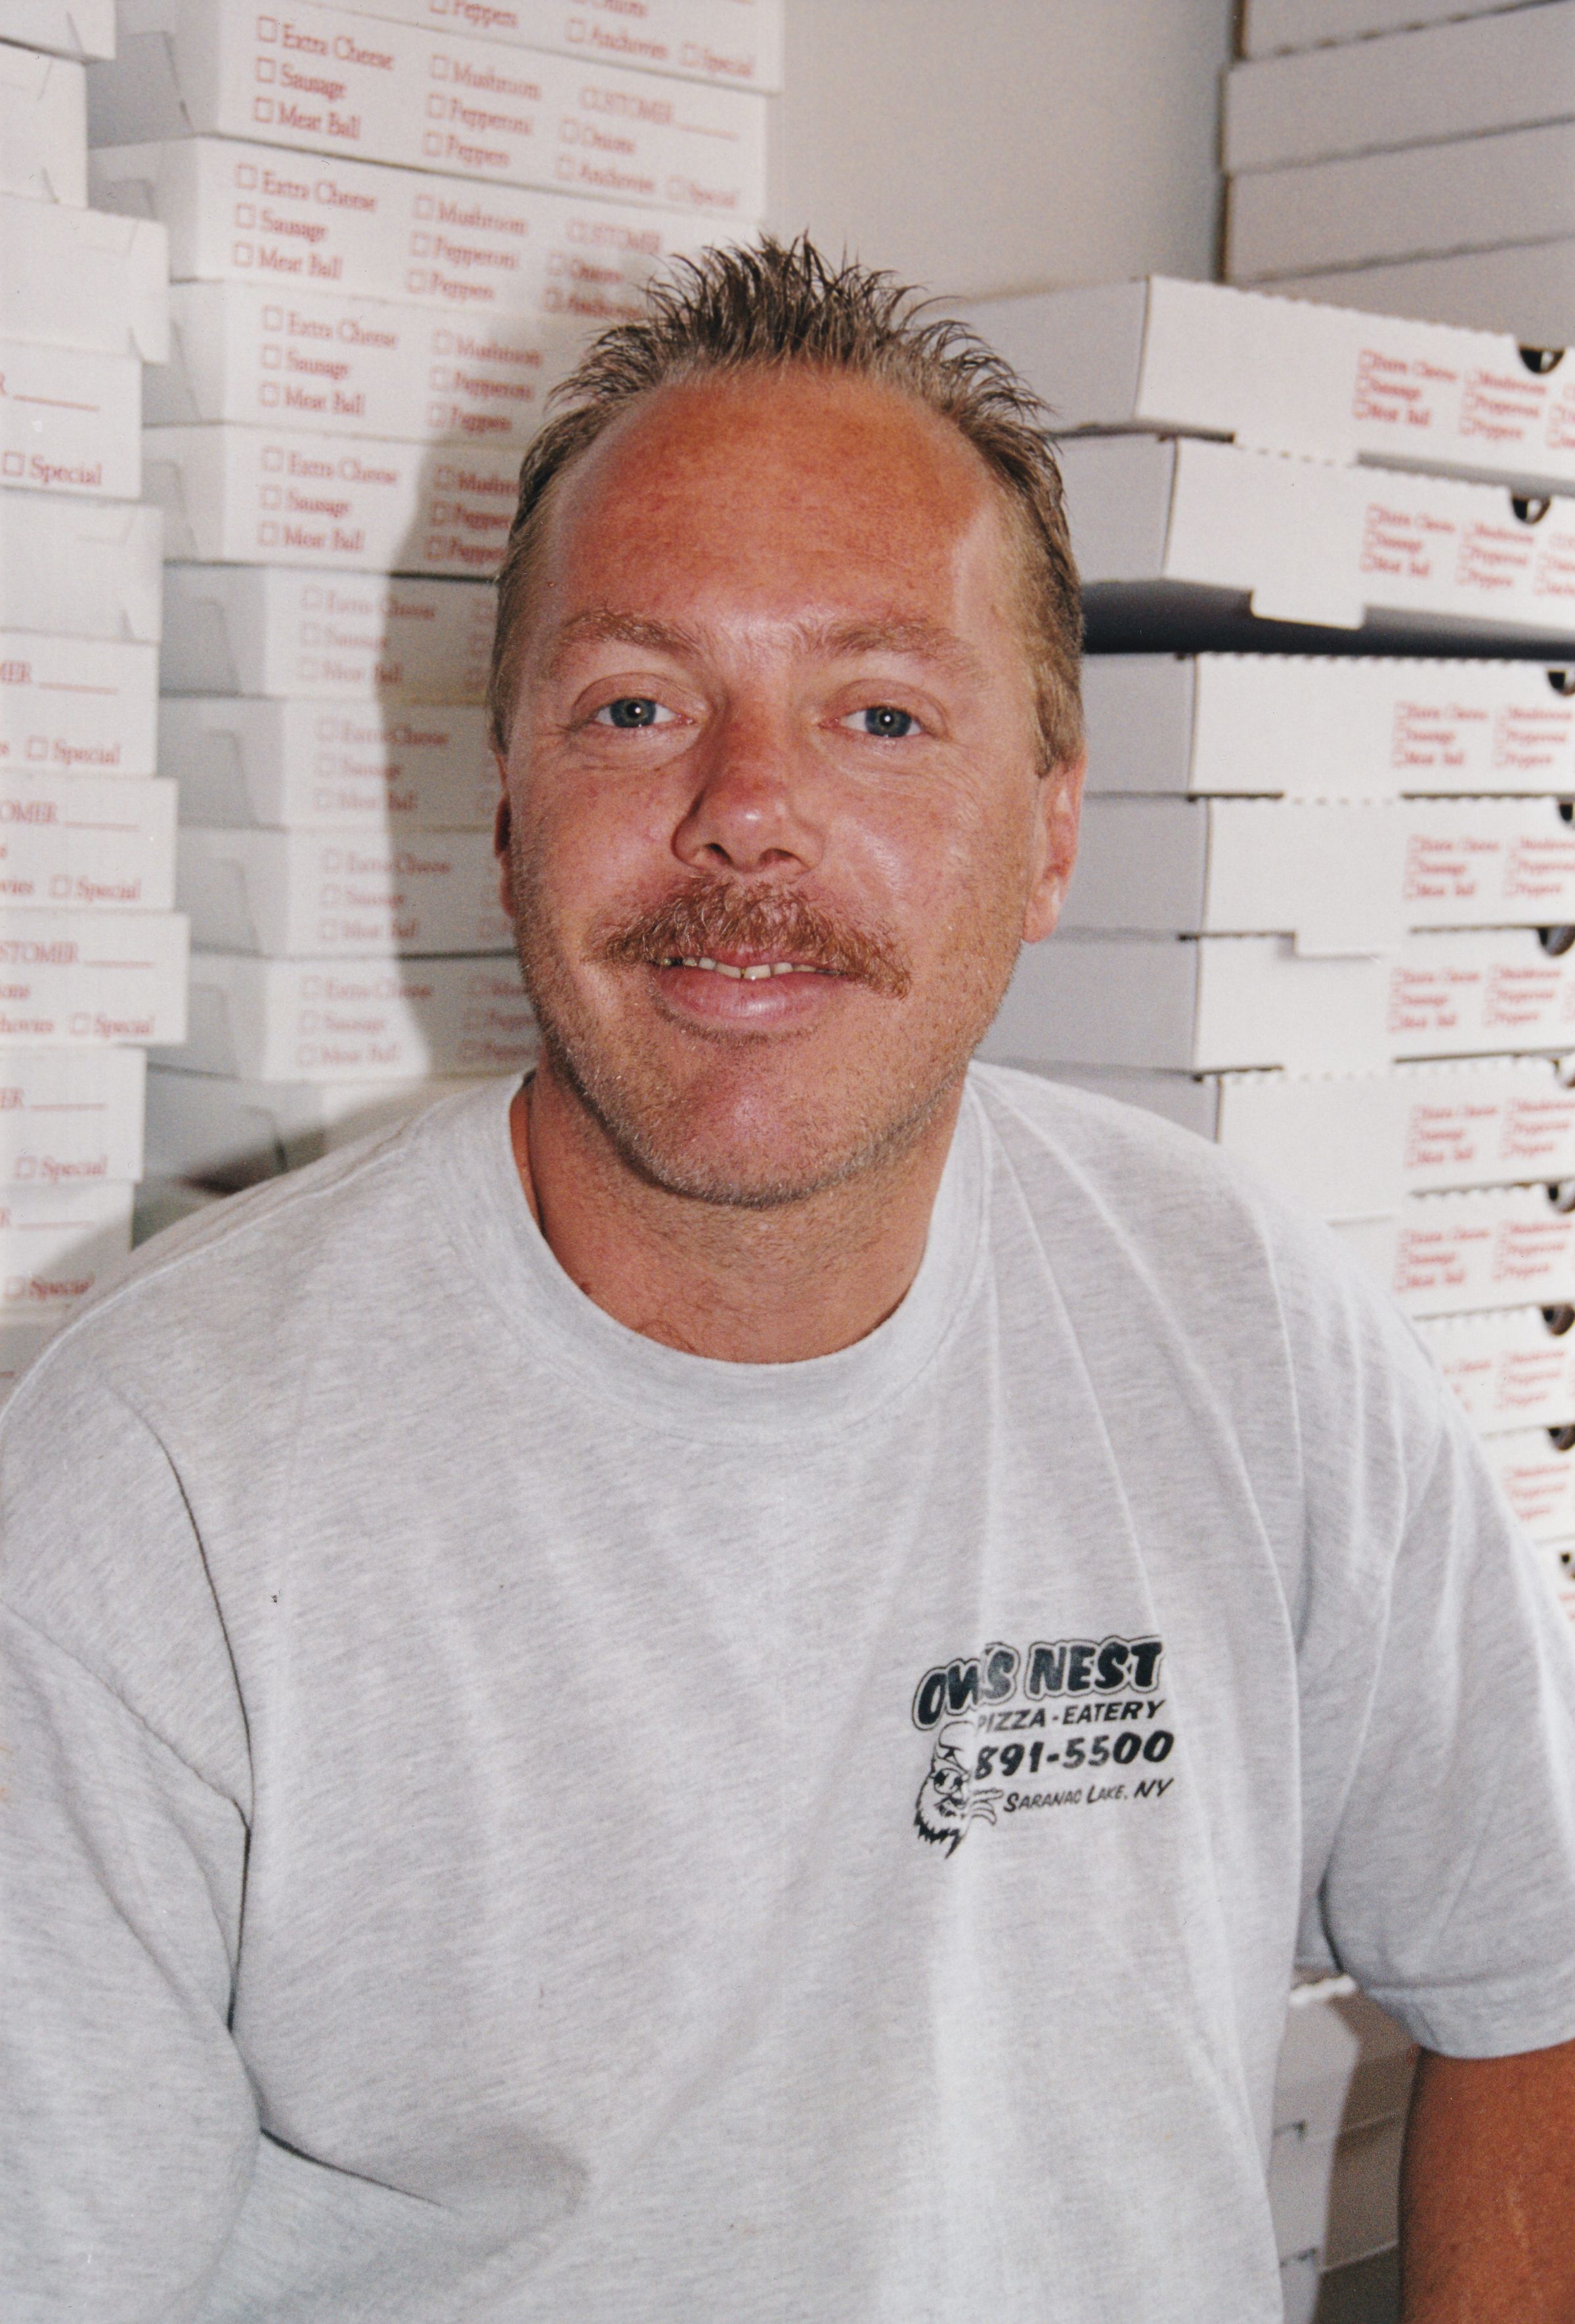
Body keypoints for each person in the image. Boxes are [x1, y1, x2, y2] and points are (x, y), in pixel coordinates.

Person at [4, 238, 1574, 2324]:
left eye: (880, 712)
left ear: (1053, 824)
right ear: (505, 810)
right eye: (635, 706)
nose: (746, 814)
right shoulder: (153, 1480)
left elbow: (1537, 1981)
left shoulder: (1252, 1329)